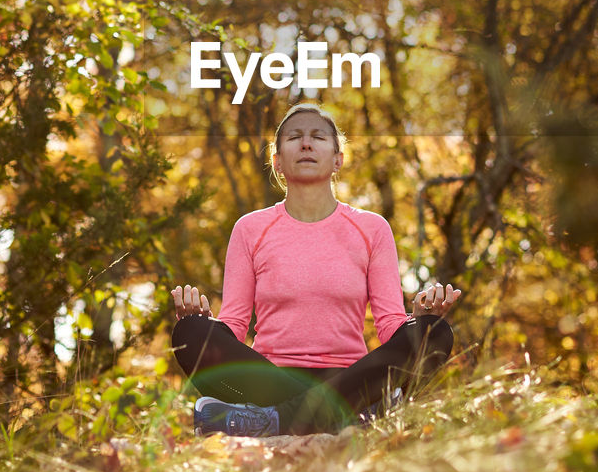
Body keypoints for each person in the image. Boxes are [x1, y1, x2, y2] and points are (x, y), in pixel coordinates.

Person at [170, 103, 460, 437]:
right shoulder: (250, 229)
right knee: (189, 333)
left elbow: (390, 326)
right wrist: (205, 323)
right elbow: (234, 326)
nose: (306, 144)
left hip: (352, 377)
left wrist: (419, 318)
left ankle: (274, 420)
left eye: (318, 137)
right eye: (294, 137)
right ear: (277, 162)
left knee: (433, 333)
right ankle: (348, 415)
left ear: (338, 159)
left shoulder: (372, 228)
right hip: (270, 380)